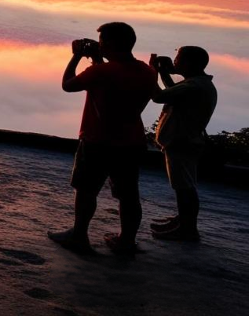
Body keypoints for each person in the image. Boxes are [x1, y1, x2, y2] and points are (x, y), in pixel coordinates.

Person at [48, 22, 156, 255]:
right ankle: (126, 241)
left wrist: (76, 57)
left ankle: (79, 236)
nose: (100, 45)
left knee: (86, 190)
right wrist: (98, 59)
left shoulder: (101, 72)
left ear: (112, 43)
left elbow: (68, 85)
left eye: (102, 41)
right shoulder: (148, 72)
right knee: (128, 195)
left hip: (97, 140)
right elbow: (110, 82)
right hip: (131, 142)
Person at [148, 46, 217, 241]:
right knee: (184, 186)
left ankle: (187, 229)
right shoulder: (197, 84)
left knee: (184, 188)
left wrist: (152, 72)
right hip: (186, 141)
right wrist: (162, 72)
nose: (175, 63)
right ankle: (183, 221)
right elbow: (172, 93)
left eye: (178, 59)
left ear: (190, 63)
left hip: (181, 142)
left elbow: (159, 96)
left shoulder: (193, 86)